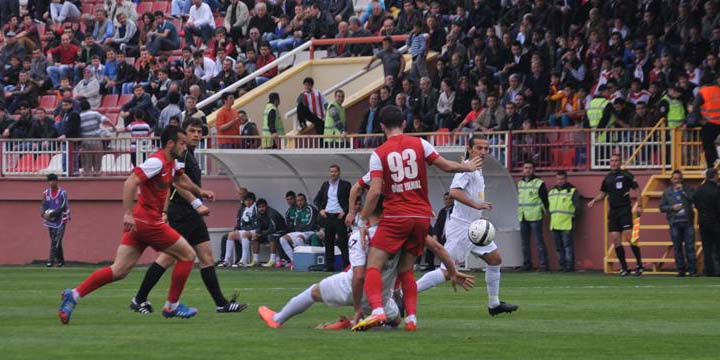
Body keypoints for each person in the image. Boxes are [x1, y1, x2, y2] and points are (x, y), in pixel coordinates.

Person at [58, 127, 215, 324]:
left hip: (140, 224)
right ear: (170, 144)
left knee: (119, 270)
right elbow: (130, 182)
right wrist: (128, 213)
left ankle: (74, 294)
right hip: (148, 222)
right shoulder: (156, 161)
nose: (185, 147)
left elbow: (180, 179)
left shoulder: (171, 162)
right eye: (182, 143)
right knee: (188, 255)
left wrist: (201, 191)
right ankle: (172, 306)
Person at [352, 105, 481, 332]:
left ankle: (378, 311)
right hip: (421, 216)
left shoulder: (379, 153)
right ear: (404, 123)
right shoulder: (420, 144)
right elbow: (445, 165)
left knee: (374, 264)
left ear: (382, 126)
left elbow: (373, 192)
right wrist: (466, 166)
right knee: (406, 270)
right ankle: (411, 320)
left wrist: (362, 220)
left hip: (396, 215)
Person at [259, 199, 475, 329]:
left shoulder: (360, 235)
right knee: (395, 321)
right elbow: (438, 248)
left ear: (369, 214)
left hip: (352, 288)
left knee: (312, 293)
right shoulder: (404, 233)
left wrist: (356, 308)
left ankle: (278, 319)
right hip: (381, 298)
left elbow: (360, 276)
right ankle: (366, 320)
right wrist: (453, 272)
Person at [129, 118, 247, 314]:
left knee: (206, 257)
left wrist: (200, 194)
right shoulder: (180, 155)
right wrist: (196, 202)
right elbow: (176, 183)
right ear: (184, 134)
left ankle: (221, 303)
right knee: (168, 258)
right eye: (192, 131)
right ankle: (140, 298)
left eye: (199, 132)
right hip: (181, 212)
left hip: (190, 214)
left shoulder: (189, 154)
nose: (196, 135)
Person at [416, 136, 518, 316]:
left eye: (486, 149)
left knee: (495, 259)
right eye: (479, 148)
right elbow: (454, 192)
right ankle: (403, 294)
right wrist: (477, 205)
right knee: (447, 272)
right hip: (461, 228)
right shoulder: (466, 169)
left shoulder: (475, 169)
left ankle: (494, 304)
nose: (484, 152)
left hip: (475, 227)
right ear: (470, 149)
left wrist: (479, 203)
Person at [588, 154, 644, 276]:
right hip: (613, 211)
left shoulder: (626, 175)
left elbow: (637, 190)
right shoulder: (607, 178)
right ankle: (625, 268)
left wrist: (640, 204)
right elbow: (602, 194)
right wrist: (594, 200)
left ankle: (639, 265)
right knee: (616, 239)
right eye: (612, 161)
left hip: (624, 210)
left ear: (620, 162)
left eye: (616, 160)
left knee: (630, 237)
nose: (613, 163)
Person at [314, 164, 351, 271]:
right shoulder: (325, 185)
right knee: (328, 242)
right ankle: (329, 266)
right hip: (328, 216)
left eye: (335, 172)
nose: (333, 174)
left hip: (339, 216)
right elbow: (317, 199)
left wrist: (345, 211)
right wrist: (321, 209)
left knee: (342, 242)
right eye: (331, 172)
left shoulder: (345, 185)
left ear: (339, 172)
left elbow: (352, 199)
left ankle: (346, 266)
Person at [660, 170, 697, 277]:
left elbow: (693, 199)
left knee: (690, 247)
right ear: (671, 180)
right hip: (675, 222)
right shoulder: (667, 192)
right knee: (677, 247)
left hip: (687, 221)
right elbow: (662, 207)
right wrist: (672, 208)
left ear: (682, 179)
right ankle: (681, 270)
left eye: (679, 178)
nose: (677, 180)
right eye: (675, 178)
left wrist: (683, 193)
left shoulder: (688, 189)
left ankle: (692, 270)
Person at [517, 161, 549, 271]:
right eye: (526, 168)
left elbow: (545, 200)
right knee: (524, 243)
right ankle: (527, 264)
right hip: (523, 216)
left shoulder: (539, 183)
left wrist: (546, 211)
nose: (527, 170)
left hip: (535, 216)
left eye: (530, 168)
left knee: (539, 241)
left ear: (533, 170)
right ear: (523, 169)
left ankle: (543, 265)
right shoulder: (520, 183)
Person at [548, 171, 581, 272]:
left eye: (562, 179)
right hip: (554, 223)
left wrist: (573, 218)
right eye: (558, 179)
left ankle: (569, 266)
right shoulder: (552, 191)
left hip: (567, 223)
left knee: (567, 246)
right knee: (558, 247)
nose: (560, 181)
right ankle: (562, 265)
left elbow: (578, 207)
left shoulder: (572, 191)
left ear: (566, 179)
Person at [691, 168, 720, 276]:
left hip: (703, 222)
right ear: (714, 176)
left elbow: (696, 204)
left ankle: (709, 271)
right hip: (716, 222)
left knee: (706, 247)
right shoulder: (717, 190)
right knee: (717, 247)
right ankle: (718, 270)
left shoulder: (699, 189)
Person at [279, 193, 321, 264]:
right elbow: (295, 225)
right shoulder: (297, 211)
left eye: (301, 200)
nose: (299, 202)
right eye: (298, 201)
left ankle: (305, 259)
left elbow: (311, 224)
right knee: (282, 239)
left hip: (311, 231)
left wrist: (300, 231)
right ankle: (294, 261)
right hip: (299, 232)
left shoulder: (310, 209)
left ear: (305, 200)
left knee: (299, 238)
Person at [41, 173, 70, 268]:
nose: (50, 183)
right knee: (55, 240)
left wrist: (52, 214)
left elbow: (62, 206)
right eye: (49, 181)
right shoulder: (46, 193)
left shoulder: (62, 193)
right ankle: (61, 261)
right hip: (51, 221)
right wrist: (43, 213)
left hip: (61, 219)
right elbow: (44, 204)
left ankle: (51, 260)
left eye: (52, 181)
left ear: (56, 181)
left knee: (55, 240)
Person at [692, 76, 720, 168]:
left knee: (708, 145)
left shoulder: (703, 92)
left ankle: (711, 166)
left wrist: (700, 120)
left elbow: (695, 107)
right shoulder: (718, 89)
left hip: (709, 123)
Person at [223, 192, 257, 267]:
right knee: (231, 235)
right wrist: (236, 229)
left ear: (253, 201)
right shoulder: (243, 209)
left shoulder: (256, 208)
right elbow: (240, 222)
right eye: (246, 200)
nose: (248, 202)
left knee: (245, 234)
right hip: (245, 229)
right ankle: (227, 260)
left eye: (250, 200)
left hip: (254, 230)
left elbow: (259, 221)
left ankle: (244, 260)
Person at [251, 199, 287, 268]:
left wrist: (261, 234)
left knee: (271, 236)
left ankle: (272, 260)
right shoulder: (258, 214)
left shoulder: (272, 213)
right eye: (259, 207)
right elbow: (258, 226)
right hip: (269, 232)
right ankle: (255, 260)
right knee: (255, 238)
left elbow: (273, 229)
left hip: (280, 231)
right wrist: (257, 234)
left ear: (266, 206)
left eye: (263, 207)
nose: (261, 209)